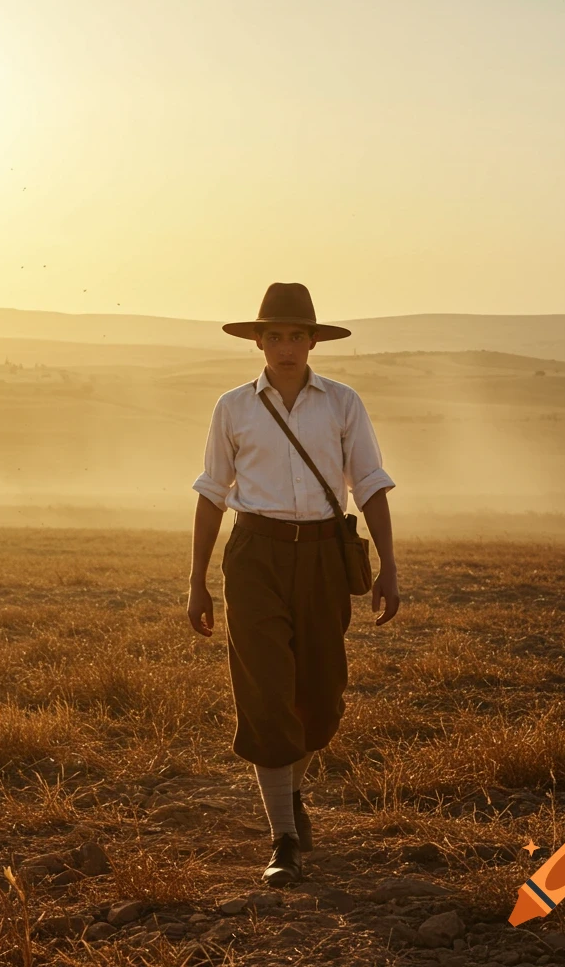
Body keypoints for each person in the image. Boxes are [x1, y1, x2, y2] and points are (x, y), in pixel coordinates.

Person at [186, 282, 400, 887]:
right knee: (265, 690)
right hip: (254, 555)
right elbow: (210, 495)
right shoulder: (232, 407)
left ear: (313, 340)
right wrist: (197, 582)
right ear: (258, 341)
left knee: (321, 695)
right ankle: (282, 837)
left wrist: (389, 566)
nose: (285, 347)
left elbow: (372, 484)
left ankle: (290, 790)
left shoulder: (342, 403)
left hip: (324, 558)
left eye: (296, 336)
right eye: (274, 335)